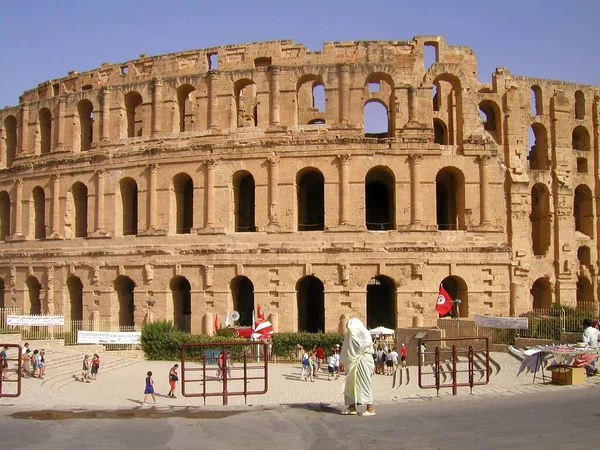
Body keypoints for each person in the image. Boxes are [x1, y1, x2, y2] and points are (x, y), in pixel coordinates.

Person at [339, 318, 376, 416]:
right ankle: (351, 407)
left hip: (362, 360)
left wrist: (344, 360)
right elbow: (346, 348)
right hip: (357, 361)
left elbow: (351, 349)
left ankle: (370, 408)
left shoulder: (357, 334)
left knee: (364, 383)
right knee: (350, 384)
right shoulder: (355, 334)